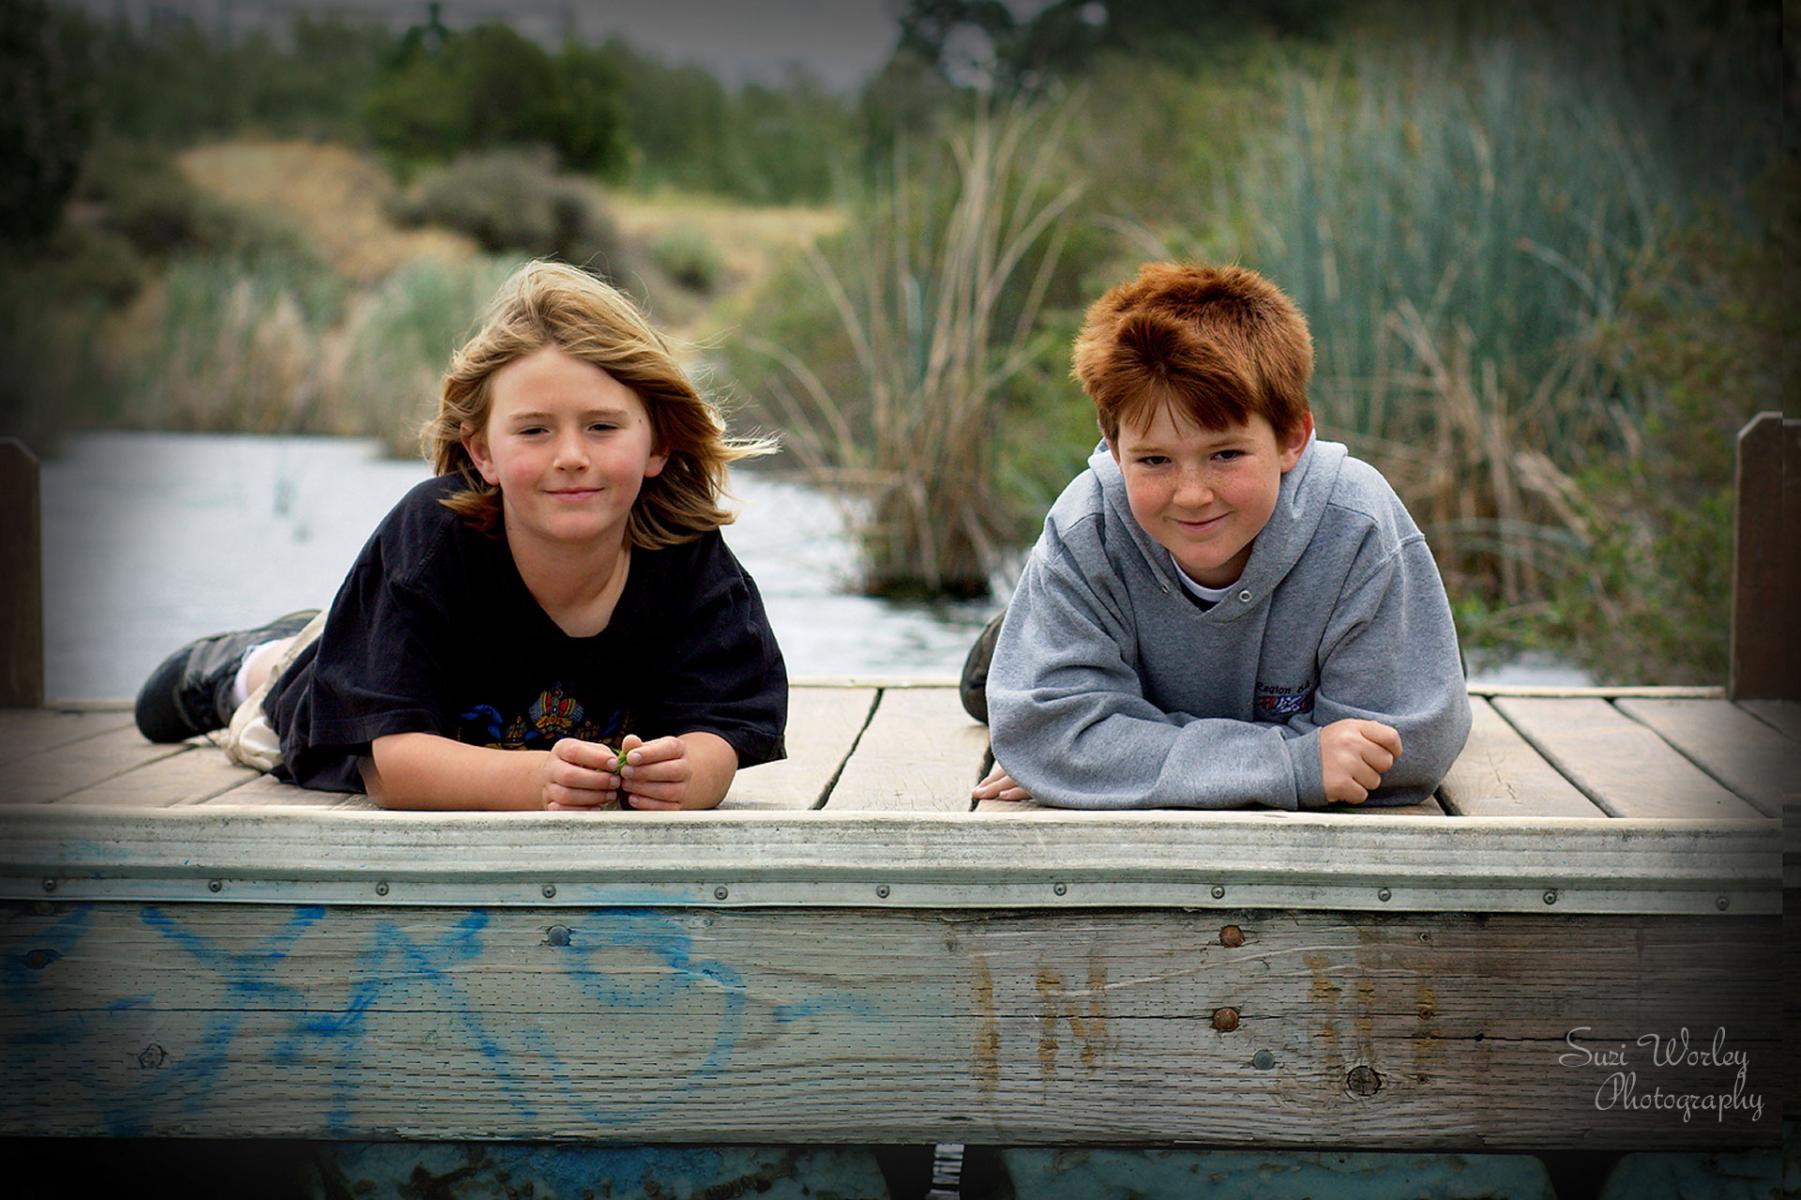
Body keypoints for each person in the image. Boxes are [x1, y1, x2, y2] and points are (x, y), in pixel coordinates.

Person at [134, 260, 787, 811]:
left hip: (507, 727)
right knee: (261, 700)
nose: (570, 456)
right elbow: (388, 771)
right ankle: (247, 663)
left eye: (602, 427)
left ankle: (322, 630)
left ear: (658, 443)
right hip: (331, 702)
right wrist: (541, 781)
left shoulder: (686, 551)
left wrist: (689, 777)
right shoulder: (432, 536)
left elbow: (725, 727)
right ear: (482, 454)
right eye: (534, 430)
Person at [967, 261, 1470, 809]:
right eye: (1154, 459)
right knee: (993, 693)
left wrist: (1114, 760)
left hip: (1264, 676)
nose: (1192, 495)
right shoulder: (1087, 528)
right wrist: (1294, 763)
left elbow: (1410, 744)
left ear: (1291, 438)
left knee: (1422, 673)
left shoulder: (1360, 524)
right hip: (1131, 650)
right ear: (1114, 452)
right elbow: (1044, 739)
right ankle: (1018, 640)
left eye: (1225, 454)